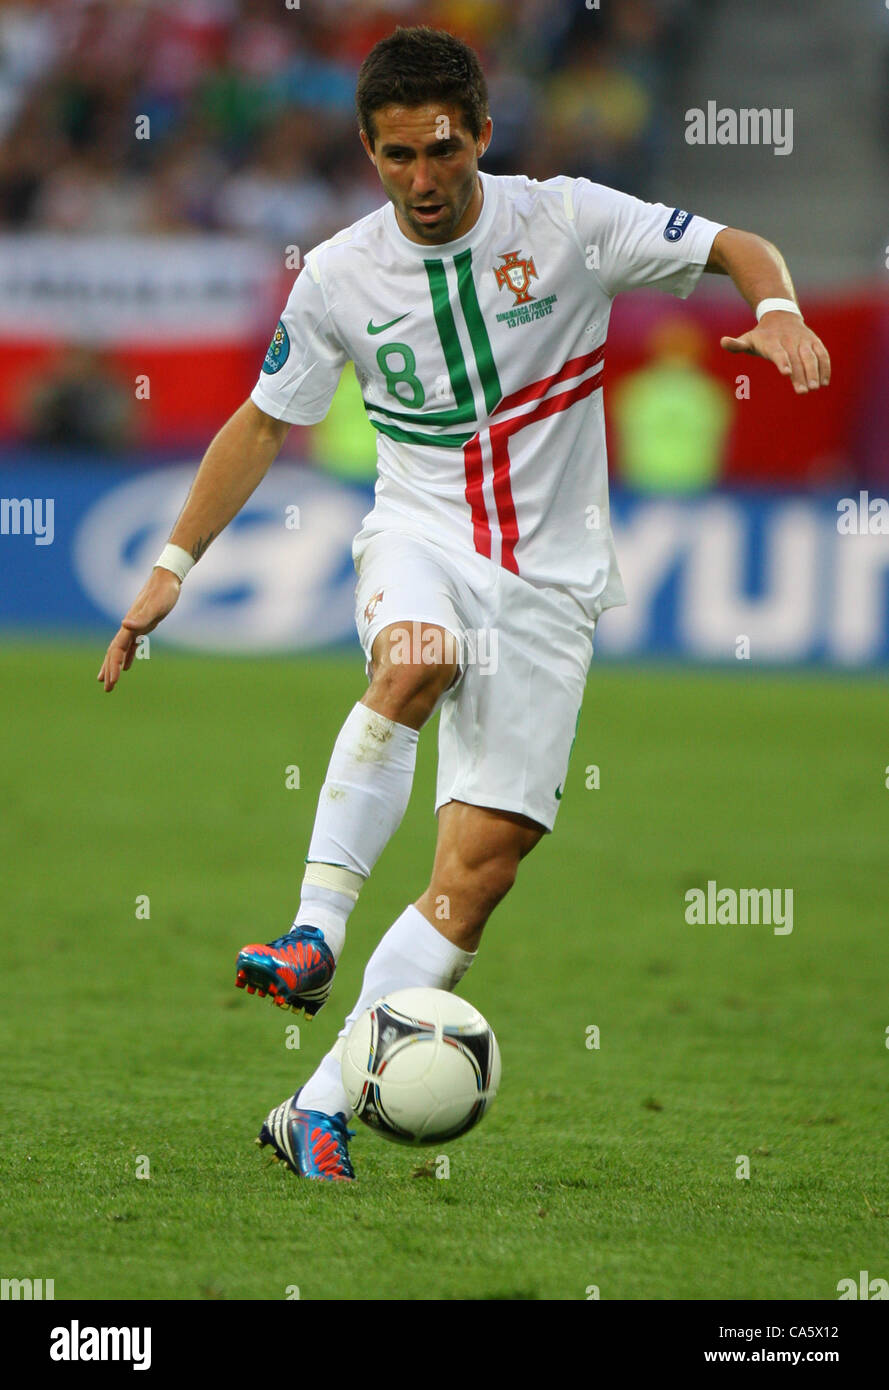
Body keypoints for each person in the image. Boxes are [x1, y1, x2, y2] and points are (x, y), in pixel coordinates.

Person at [98, 26, 831, 1182]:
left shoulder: (569, 220)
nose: (422, 181)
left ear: (481, 134)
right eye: (395, 157)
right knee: (416, 659)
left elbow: (738, 242)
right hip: (423, 534)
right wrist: (173, 567)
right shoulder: (338, 271)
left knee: (474, 879)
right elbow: (260, 420)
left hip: (551, 585)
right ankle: (314, 931)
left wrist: (779, 305)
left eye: (441, 151)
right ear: (368, 150)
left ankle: (316, 1105)